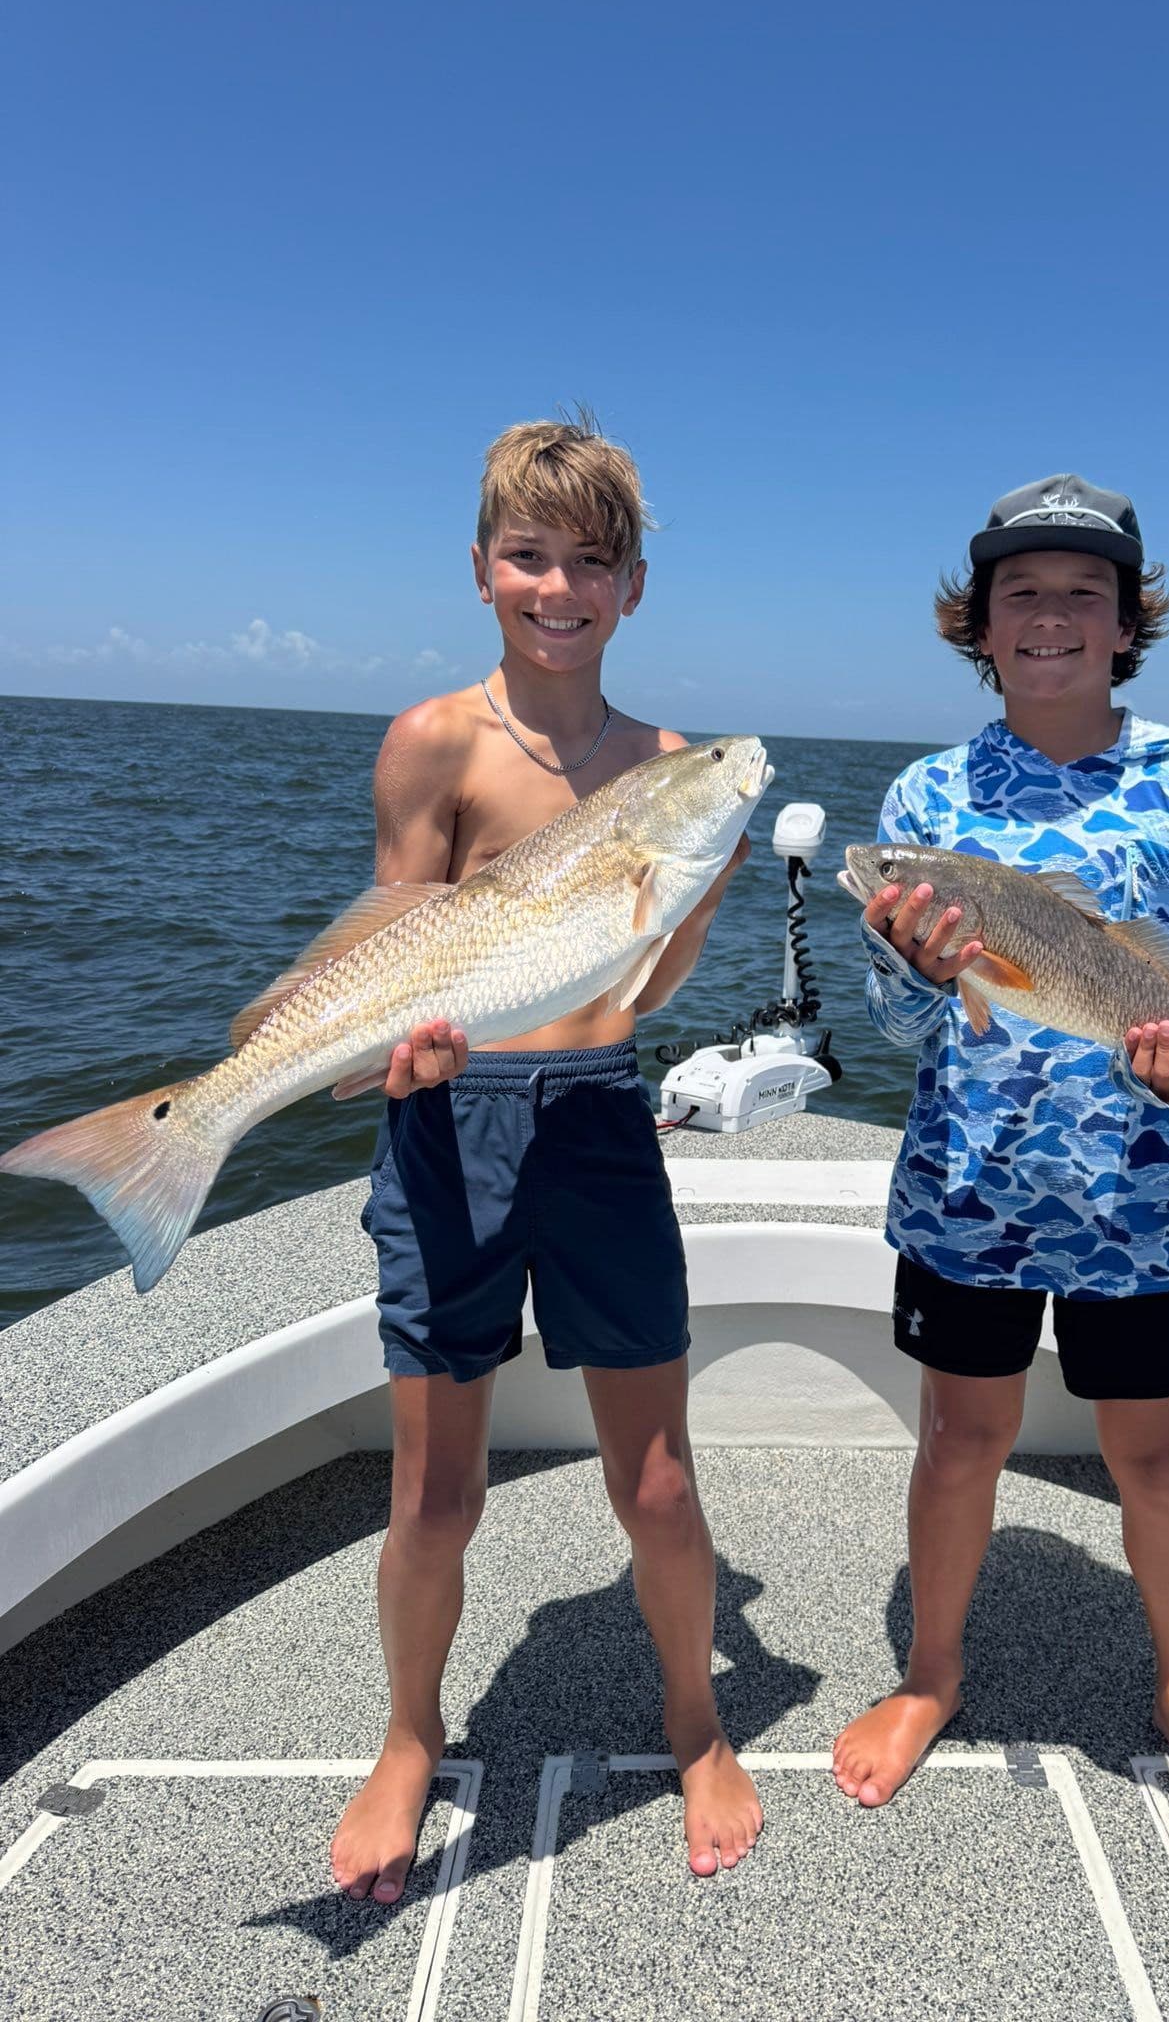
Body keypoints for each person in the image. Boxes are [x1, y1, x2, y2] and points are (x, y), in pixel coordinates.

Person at [833, 474, 1169, 1855]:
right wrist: (911, 963)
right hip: (968, 1192)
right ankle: (931, 1676)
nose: (1050, 617)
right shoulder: (928, 796)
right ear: (978, 625)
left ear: (1125, 624)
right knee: (960, 1435)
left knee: (1157, 1453)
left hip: (1145, 1197)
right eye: (1021, 593)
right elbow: (912, 1021)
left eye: (1081, 594)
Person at [329, 416, 761, 1901]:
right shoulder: (432, 741)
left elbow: (649, 982)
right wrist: (409, 1051)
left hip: (596, 1121)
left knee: (654, 1484)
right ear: (481, 569)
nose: (558, 586)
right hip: (446, 1124)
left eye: (592, 562)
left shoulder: (660, 765)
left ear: (633, 586)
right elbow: (405, 940)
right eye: (530, 556)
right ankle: (405, 1733)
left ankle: (697, 1719)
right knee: (434, 1497)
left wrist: (690, 884)